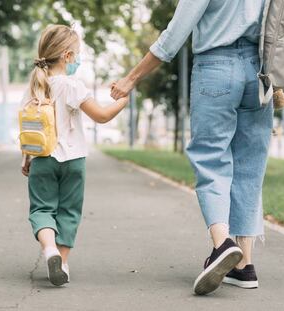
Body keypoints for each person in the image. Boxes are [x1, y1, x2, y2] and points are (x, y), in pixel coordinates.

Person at [111, 0, 272, 295]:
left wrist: (131, 77)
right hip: (260, 72)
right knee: (249, 167)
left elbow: (175, 34)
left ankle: (222, 244)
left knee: (211, 158)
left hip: (216, 68)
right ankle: (244, 266)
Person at [21, 24, 129, 286]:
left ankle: (49, 251)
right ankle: (63, 262)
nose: (79, 60)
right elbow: (102, 116)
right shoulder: (73, 85)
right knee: (68, 212)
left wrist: (27, 158)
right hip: (73, 161)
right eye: (78, 54)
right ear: (67, 56)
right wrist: (123, 100)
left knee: (42, 209)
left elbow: (28, 126)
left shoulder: (35, 86)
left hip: (42, 159)